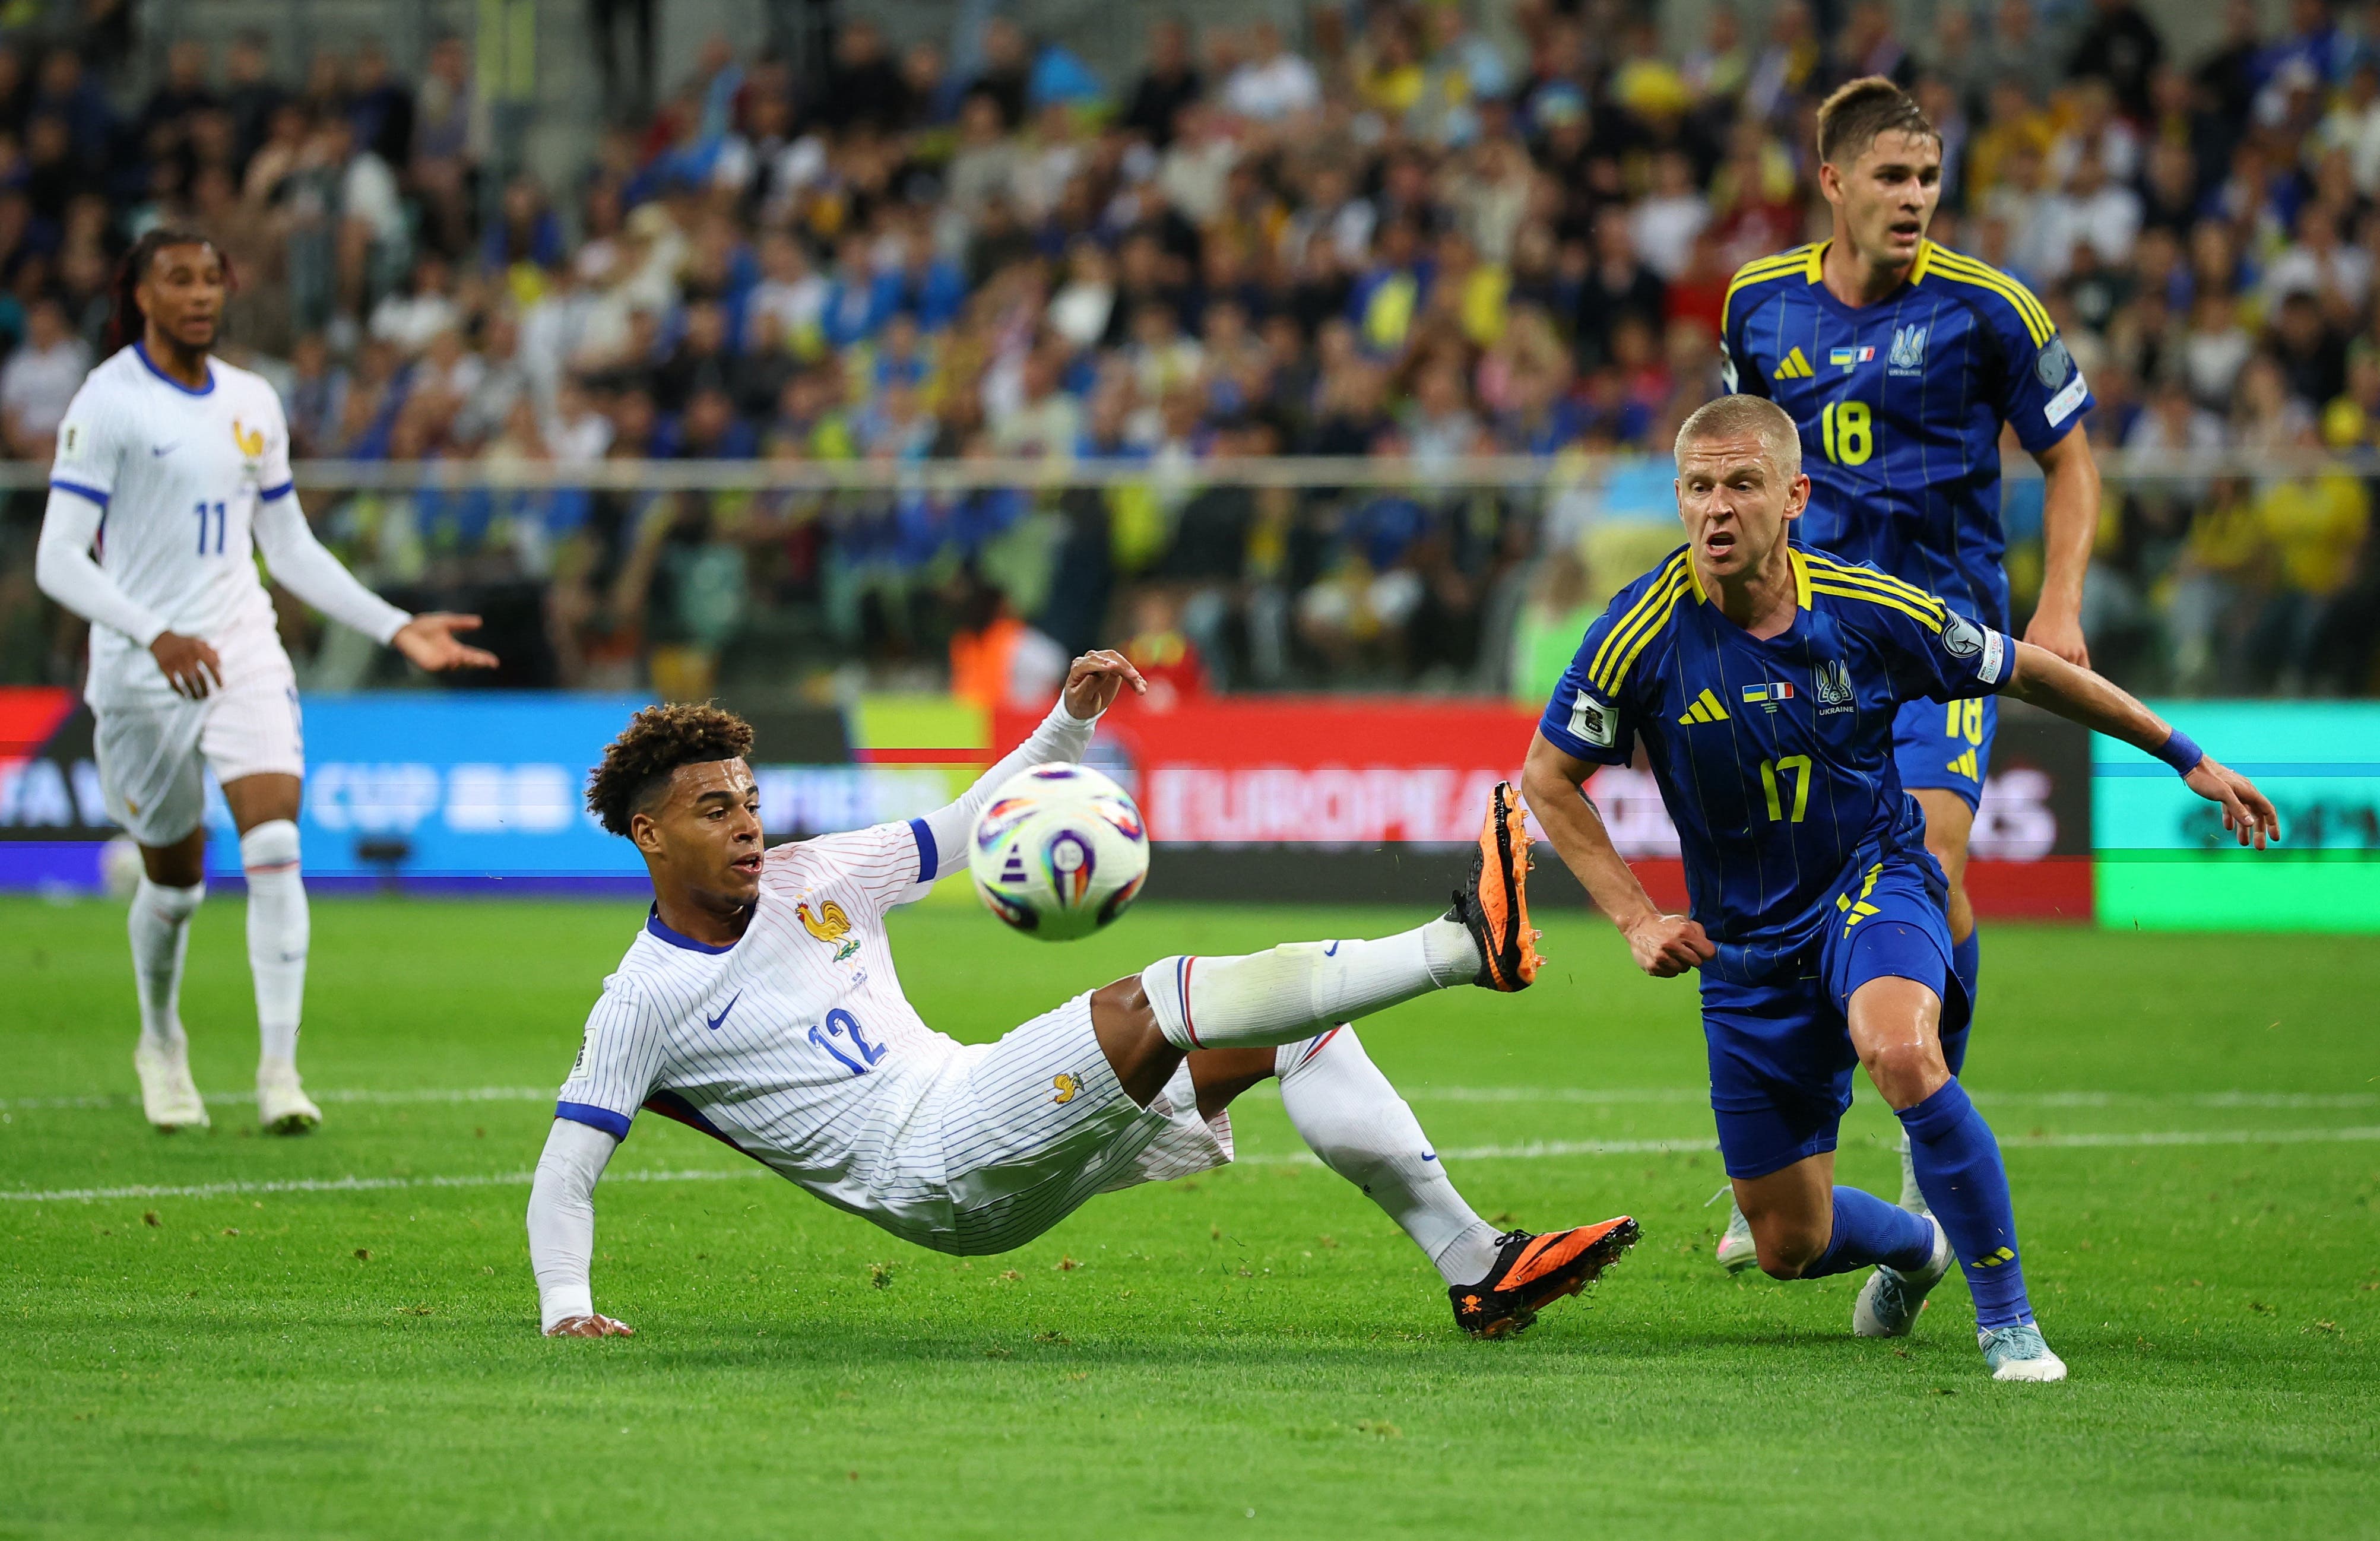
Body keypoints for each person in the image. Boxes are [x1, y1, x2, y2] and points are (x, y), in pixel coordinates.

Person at [525, 652, 1637, 1340]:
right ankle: (1460, 946)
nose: (748, 824)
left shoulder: (814, 874)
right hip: (933, 1174)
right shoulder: (644, 998)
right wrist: (565, 1307)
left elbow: (967, 827)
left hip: (968, 1099)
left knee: (1293, 1031)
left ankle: (1476, 1265)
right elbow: (566, 1173)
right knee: (1155, 999)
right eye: (714, 809)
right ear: (649, 834)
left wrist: (1066, 727)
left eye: (749, 800)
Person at [1523, 397, 2278, 1383]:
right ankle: (1915, 1251)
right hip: (1744, 950)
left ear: (1792, 496)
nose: (1717, 509)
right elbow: (1546, 777)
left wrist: (2184, 756)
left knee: (1898, 1050)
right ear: (1677, 498)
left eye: (1742, 485)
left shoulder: (1871, 609)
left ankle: (2009, 1325)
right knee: (1787, 1242)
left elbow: (2030, 673)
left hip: (1871, 884)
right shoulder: (1636, 634)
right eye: (1699, 487)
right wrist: (1634, 916)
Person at [1715, 77, 2105, 1253]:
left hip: (1943, 645)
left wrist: (2062, 602)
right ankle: (1798, 1153)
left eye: (1928, 179)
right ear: (1829, 182)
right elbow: (1741, 457)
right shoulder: (1758, 305)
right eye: (1891, 178)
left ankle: (1926, 1140)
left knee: (1928, 857)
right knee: (1797, 888)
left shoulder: (1990, 310)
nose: (1915, 200)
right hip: (1809, 645)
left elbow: (2072, 462)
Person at [32, 230, 497, 1135]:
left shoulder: (252, 401)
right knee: (173, 885)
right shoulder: (108, 404)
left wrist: (393, 624)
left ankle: (278, 1072)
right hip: (141, 667)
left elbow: (287, 550)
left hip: (241, 644)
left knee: (275, 841)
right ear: (139, 295)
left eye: (212, 278)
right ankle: (161, 1042)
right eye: (179, 279)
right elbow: (57, 558)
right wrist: (150, 631)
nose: (201, 294)